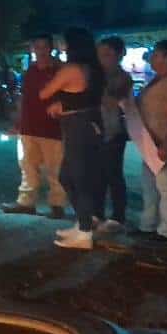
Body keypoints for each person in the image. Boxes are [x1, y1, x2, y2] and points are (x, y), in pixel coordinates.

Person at [39, 27, 104, 250]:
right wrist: (64, 104)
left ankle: (85, 232)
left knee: (77, 177)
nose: (59, 44)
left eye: (63, 41)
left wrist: (55, 69)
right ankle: (85, 221)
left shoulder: (72, 68)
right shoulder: (91, 68)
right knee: (67, 176)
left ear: (72, 45)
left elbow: (44, 93)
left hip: (79, 127)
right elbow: (83, 98)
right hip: (82, 124)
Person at [1, 36, 67, 219]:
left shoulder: (60, 70)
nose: (40, 51)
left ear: (51, 48)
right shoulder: (30, 71)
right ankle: (26, 201)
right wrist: (19, 123)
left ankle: (57, 204)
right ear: (32, 49)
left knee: (55, 169)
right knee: (28, 166)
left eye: (44, 47)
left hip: (52, 129)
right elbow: (25, 99)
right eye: (37, 47)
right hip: (29, 127)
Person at [136, 40, 167, 244]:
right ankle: (148, 225)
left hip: (163, 144)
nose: (152, 58)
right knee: (150, 186)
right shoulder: (157, 80)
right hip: (149, 143)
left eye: (157, 55)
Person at [95, 36, 133, 234]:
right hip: (97, 130)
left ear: (119, 55)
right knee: (98, 174)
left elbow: (112, 101)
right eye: (100, 54)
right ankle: (97, 212)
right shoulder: (97, 74)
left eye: (107, 54)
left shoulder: (122, 77)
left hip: (114, 131)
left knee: (113, 174)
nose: (102, 58)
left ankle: (118, 216)